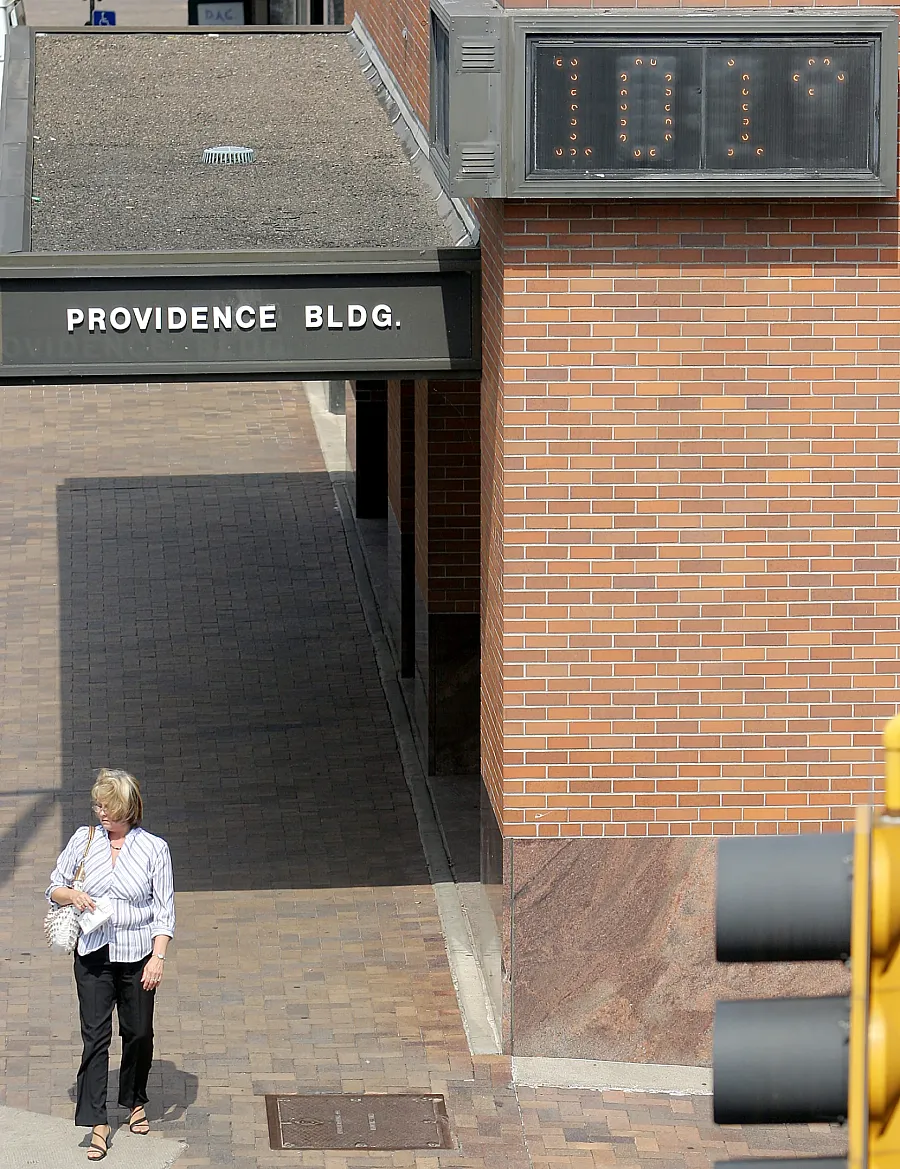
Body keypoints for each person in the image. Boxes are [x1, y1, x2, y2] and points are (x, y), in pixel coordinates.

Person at [47, 769, 175, 1161]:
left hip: (138, 956)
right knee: (96, 1038)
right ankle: (97, 1121)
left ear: (128, 809)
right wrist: (74, 895)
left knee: (138, 1033)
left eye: (109, 807)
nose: (101, 813)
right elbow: (53, 887)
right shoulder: (83, 841)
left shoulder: (154, 849)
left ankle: (134, 1098)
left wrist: (158, 957)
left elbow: (164, 909)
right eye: (98, 805)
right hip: (93, 954)